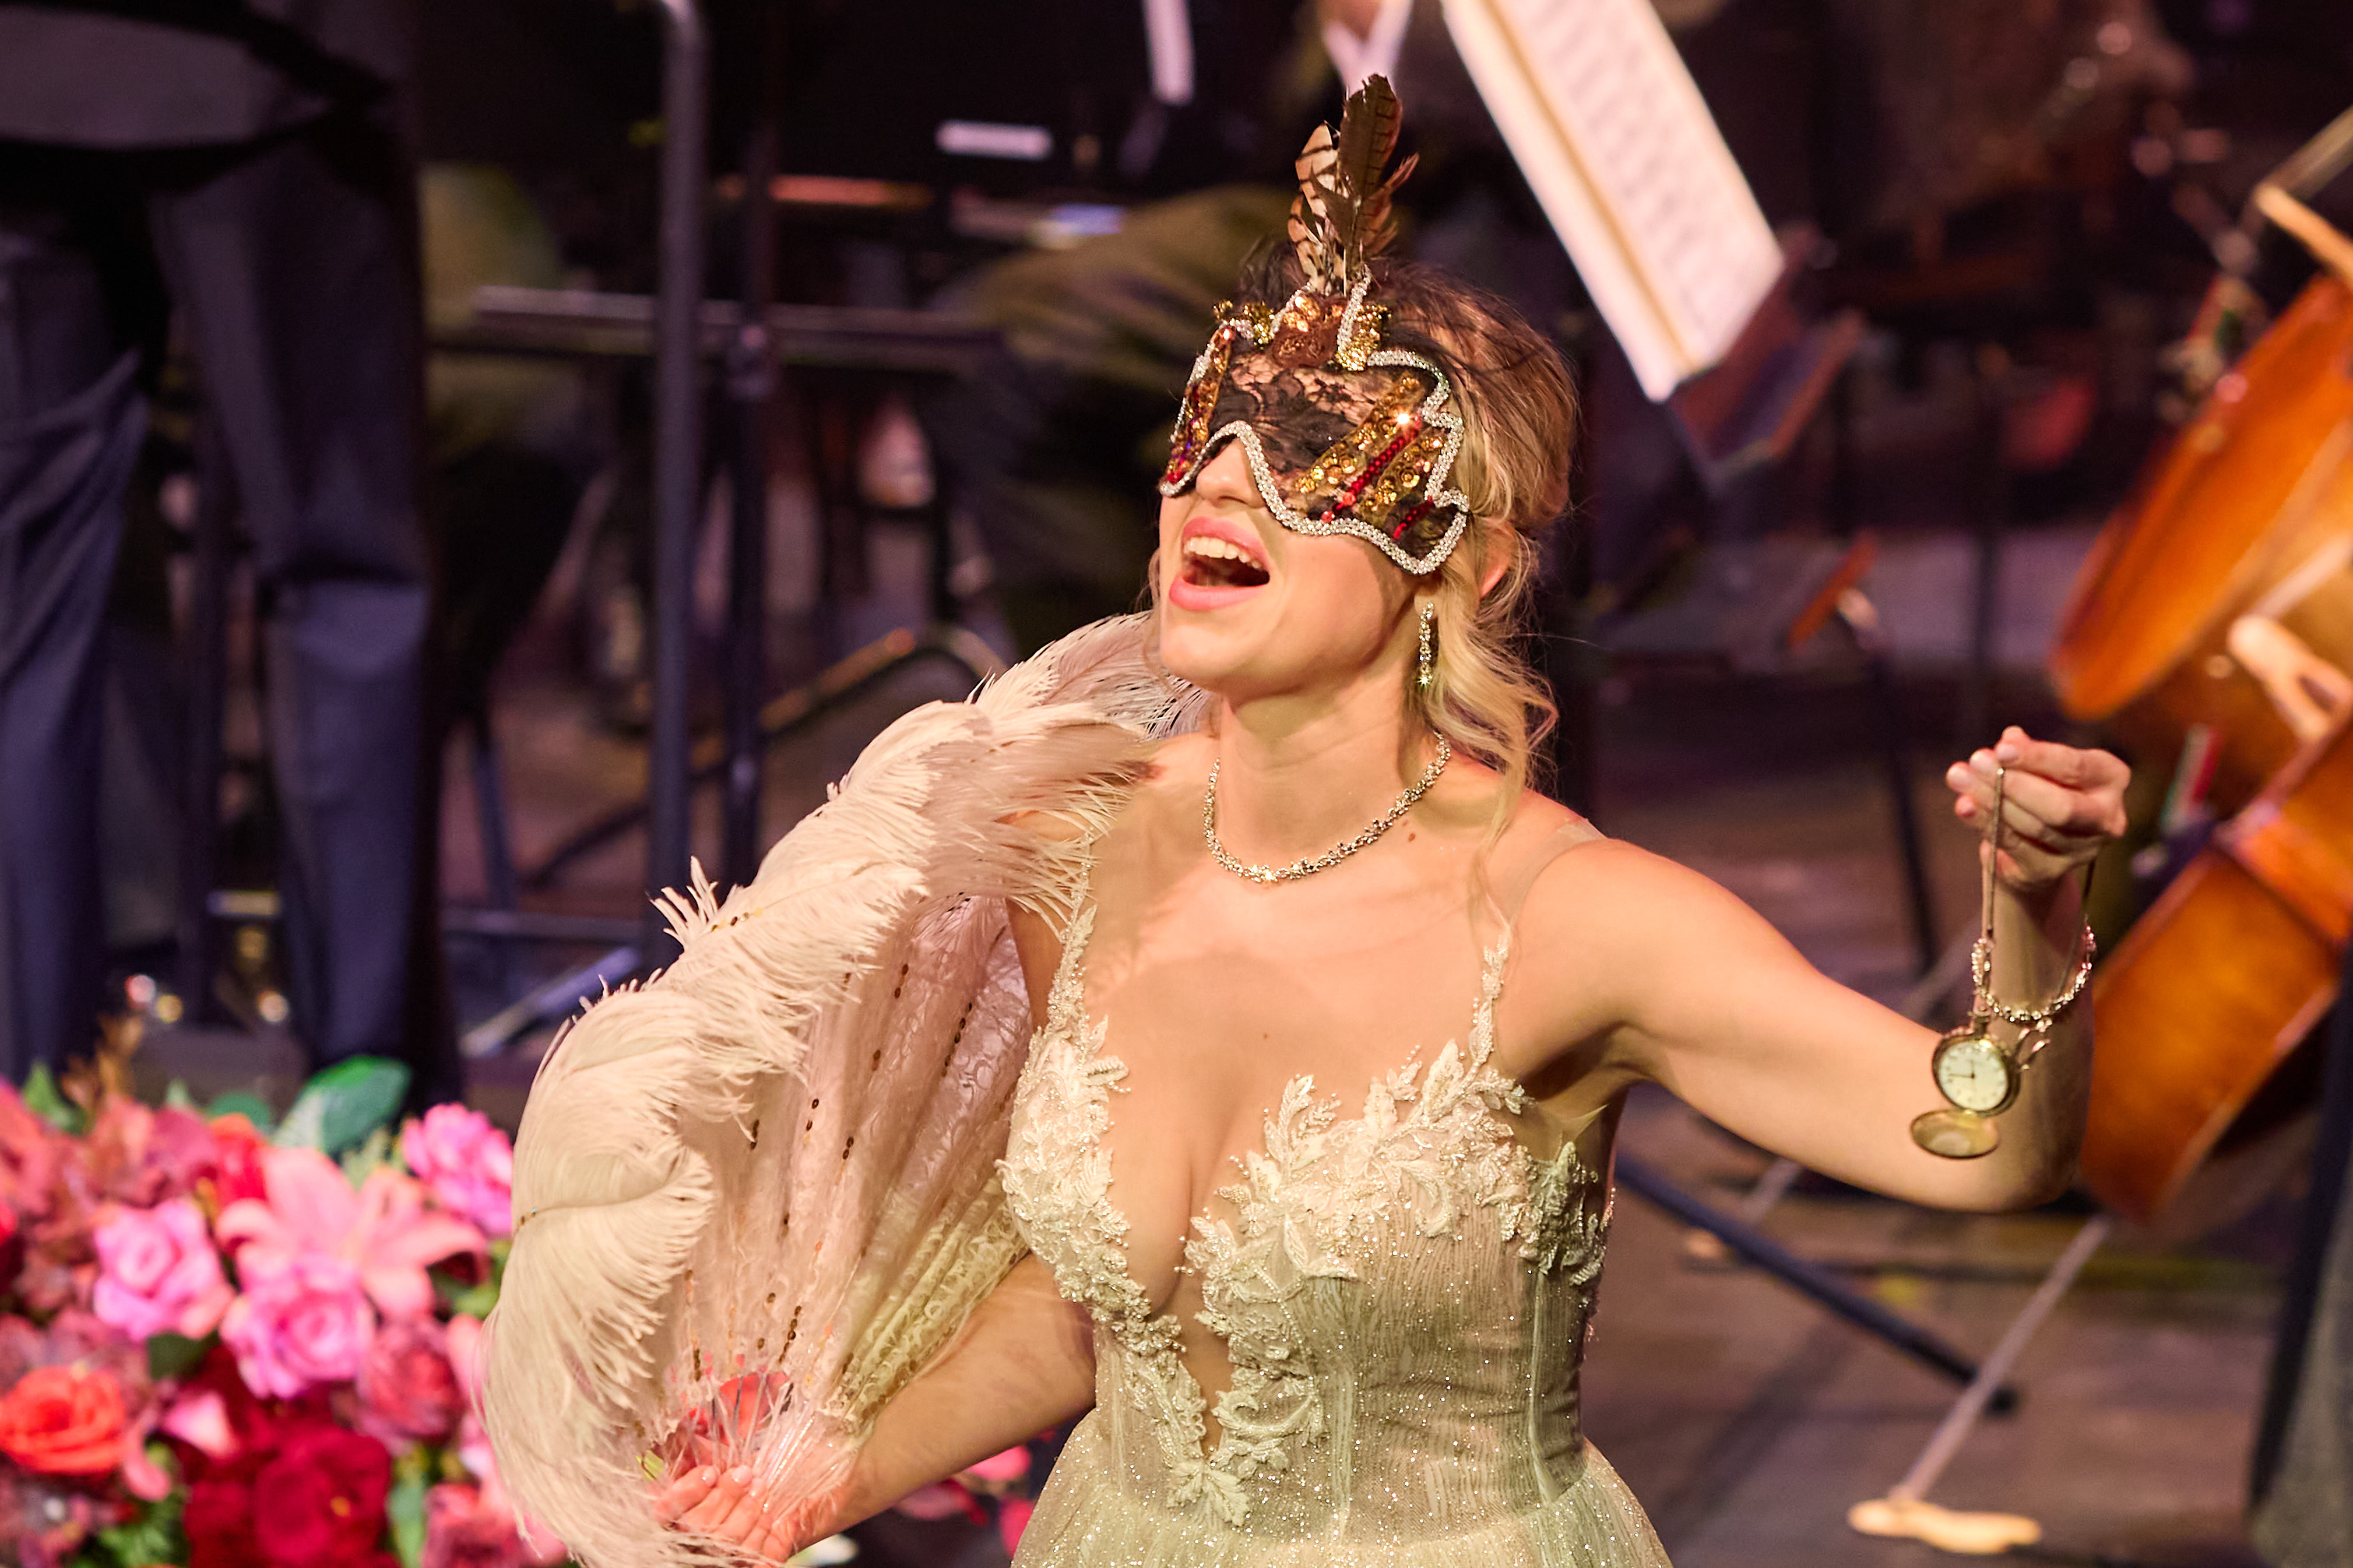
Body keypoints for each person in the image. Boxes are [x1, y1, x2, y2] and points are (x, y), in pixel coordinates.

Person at [485, 79, 2128, 1568]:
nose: (1219, 487)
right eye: (1202, 443)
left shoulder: (1576, 922)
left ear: (1466, 563)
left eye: (1311, 461)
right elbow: (1101, 1305)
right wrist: (833, 1469)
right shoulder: (1076, 843)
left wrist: (2037, 903)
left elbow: (1987, 1146)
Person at [0, 0, 453, 1096]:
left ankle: (22, 1138)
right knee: (346, 576)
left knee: (23, 606)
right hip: (274, 56)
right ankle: (369, 1131)